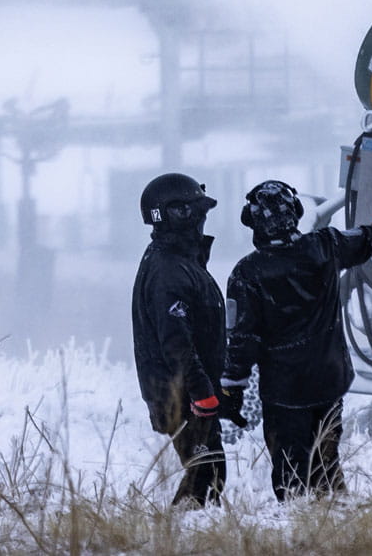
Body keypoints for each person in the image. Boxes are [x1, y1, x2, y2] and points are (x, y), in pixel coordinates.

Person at [219, 180, 372, 501]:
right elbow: (365, 239)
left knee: (290, 472)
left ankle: (300, 529)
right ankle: (333, 521)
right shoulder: (325, 246)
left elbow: (243, 339)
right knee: (326, 460)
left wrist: (232, 387)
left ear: (251, 221)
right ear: (295, 213)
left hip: (283, 393)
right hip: (328, 381)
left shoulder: (246, 274)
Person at [130, 171, 235, 506]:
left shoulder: (178, 261)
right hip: (182, 396)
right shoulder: (169, 270)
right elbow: (175, 341)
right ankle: (182, 535)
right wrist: (202, 392)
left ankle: (189, 534)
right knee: (204, 478)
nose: (203, 221)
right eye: (198, 213)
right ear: (178, 214)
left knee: (208, 474)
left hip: (185, 392)